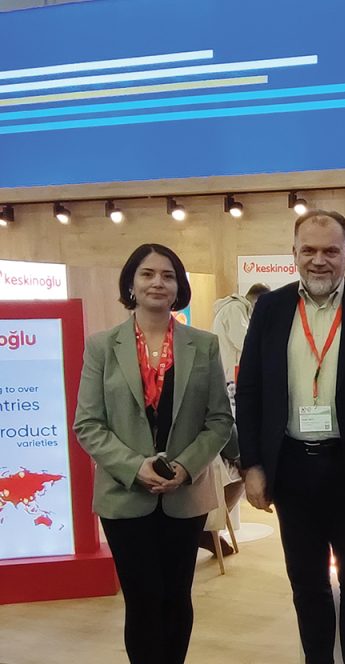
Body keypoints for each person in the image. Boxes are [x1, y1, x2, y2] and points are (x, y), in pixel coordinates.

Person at [236, 209, 345, 664]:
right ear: (293, 254)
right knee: (306, 583)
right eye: (308, 250)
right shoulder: (270, 309)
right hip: (291, 467)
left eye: (331, 250)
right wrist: (252, 464)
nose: (319, 260)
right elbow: (250, 389)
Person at [73, 243, 233, 664]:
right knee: (142, 599)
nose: (157, 283)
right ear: (131, 282)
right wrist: (135, 467)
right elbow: (87, 424)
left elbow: (219, 420)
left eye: (167, 275)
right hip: (125, 496)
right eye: (147, 274)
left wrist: (185, 467)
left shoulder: (204, 345)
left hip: (185, 494)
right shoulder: (102, 346)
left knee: (177, 597)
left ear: (179, 287)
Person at [207, 281, 269, 556]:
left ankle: (215, 529)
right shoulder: (234, 310)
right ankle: (210, 530)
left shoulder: (232, 309)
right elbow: (246, 342)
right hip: (230, 386)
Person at [211, 282, 270, 387]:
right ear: (259, 301)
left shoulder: (237, 308)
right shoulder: (235, 308)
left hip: (230, 374)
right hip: (230, 376)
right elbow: (244, 342)